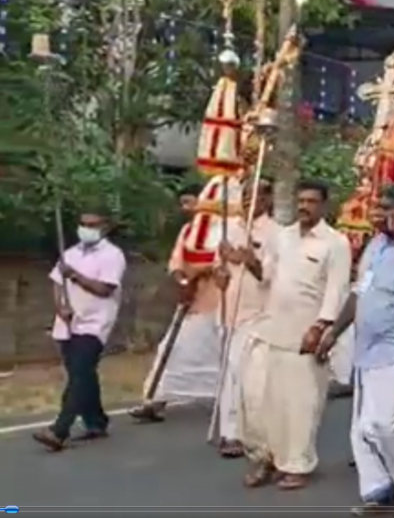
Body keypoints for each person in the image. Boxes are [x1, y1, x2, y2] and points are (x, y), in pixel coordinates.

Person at [319, 184, 394, 515]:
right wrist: (333, 332)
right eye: (376, 207)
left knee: (387, 424)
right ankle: (382, 493)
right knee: (365, 429)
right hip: (367, 350)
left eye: (385, 208)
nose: (376, 214)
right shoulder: (375, 246)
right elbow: (360, 292)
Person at [236, 180, 351, 490]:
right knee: (260, 400)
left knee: (300, 405)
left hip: (307, 335)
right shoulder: (282, 238)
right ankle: (266, 458)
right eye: (301, 200)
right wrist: (251, 264)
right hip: (271, 329)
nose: (304, 206)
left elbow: (336, 291)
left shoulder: (335, 243)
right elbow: (267, 277)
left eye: (312, 201)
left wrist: (321, 328)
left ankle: (297, 464)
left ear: (324, 206)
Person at [32, 207, 127, 452]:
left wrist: (73, 275)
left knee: (79, 374)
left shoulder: (112, 255)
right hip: (67, 323)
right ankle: (96, 421)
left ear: (104, 227)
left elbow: (105, 289)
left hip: (94, 323)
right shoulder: (70, 254)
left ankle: (59, 430)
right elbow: (56, 284)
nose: (87, 229)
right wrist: (60, 307)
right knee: (82, 374)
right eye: (84, 223)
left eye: (93, 225)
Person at [129, 188, 222, 423]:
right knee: (171, 350)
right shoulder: (188, 231)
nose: (187, 209)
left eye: (191, 202)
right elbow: (177, 262)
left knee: (228, 357)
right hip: (193, 302)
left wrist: (198, 274)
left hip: (224, 302)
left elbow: (221, 261)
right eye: (183, 204)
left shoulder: (222, 229)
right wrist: (183, 280)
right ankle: (155, 400)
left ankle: (235, 405)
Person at [211, 178, 277, 458]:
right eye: (246, 194)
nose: (250, 200)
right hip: (228, 311)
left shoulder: (277, 234)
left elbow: (270, 277)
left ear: (268, 200)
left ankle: (241, 432)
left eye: (257, 195)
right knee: (231, 372)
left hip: (258, 313)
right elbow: (217, 272)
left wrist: (250, 260)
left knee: (245, 373)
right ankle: (231, 432)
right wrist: (221, 273)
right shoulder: (227, 229)